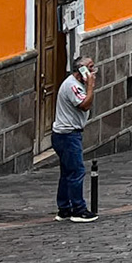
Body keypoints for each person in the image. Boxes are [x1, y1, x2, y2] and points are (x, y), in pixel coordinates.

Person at [52, 54, 97, 223]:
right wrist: (91, 86)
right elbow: (85, 105)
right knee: (76, 171)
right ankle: (78, 210)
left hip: (65, 134)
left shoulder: (76, 84)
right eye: (90, 68)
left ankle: (64, 209)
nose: (94, 71)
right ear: (81, 71)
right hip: (68, 135)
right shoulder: (72, 86)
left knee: (67, 172)